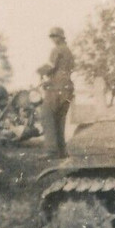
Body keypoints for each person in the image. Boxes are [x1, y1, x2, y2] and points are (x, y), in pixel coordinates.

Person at [38, 26, 75, 158]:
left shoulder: (57, 49)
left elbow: (50, 66)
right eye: (51, 37)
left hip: (56, 88)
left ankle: (51, 150)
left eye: (55, 36)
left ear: (61, 37)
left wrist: (39, 72)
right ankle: (62, 151)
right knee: (60, 119)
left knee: (47, 115)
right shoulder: (68, 51)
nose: (53, 39)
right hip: (67, 88)